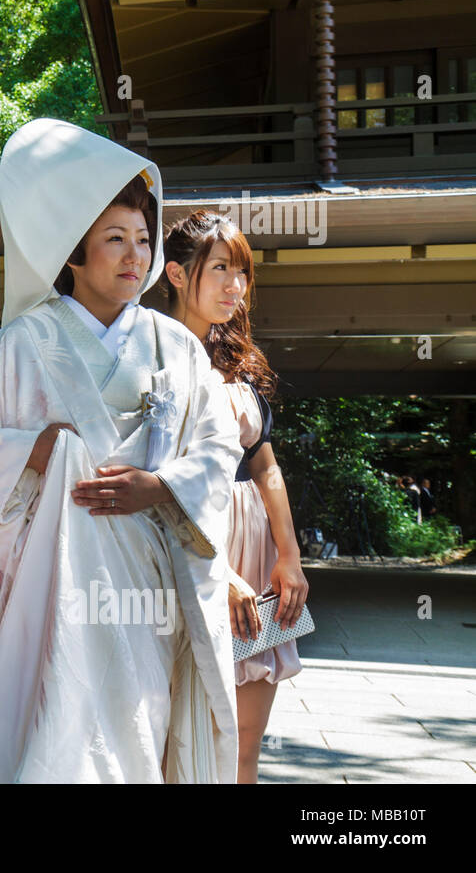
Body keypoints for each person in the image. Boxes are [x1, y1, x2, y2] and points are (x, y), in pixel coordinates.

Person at [0, 118, 243, 783]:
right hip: (54, 589)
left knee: (138, 732)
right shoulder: (26, 343)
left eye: (142, 240)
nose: (134, 255)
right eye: (114, 239)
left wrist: (162, 487)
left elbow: (216, 449)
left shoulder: (177, 347)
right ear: (73, 253)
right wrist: (37, 448)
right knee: (61, 718)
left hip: (151, 586)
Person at [162, 209, 310, 784]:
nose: (235, 285)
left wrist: (290, 555)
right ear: (176, 274)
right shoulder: (153, 357)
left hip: (254, 550)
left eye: (242, 272)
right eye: (220, 268)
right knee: (180, 728)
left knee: (246, 743)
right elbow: (160, 480)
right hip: (192, 553)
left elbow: (267, 469)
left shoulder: (233, 362)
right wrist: (218, 571)